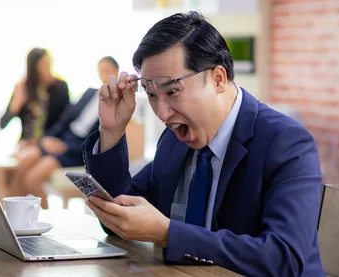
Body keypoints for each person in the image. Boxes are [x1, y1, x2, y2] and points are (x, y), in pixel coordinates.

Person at [82, 12, 324, 276]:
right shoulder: (174, 141)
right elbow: (121, 216)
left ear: (218, 78)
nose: (162, 114)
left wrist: (167, 233)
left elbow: (284, 258)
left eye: (172, 91)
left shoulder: (286, 143)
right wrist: (111, 130)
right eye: (152, 96)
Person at [10, 57, 120, 209]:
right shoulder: (89, 93)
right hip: (64, 140)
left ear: (117, 71)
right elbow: (66, 118)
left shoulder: (119, 104)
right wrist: (48, 138)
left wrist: (66, 147)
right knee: (23, 162)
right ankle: (17, 217)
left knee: (32, 179)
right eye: (101, 70)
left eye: (108, 70)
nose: (104, 74)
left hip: (76, 150)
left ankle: (44, 223)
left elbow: (103, 138)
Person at [0, 48, 70, 150]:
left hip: (49, 142)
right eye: (43, 65)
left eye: (49, 64)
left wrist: (40, 141)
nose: (48, 69)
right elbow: (2, 124)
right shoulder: (23, 88)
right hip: (25, 143)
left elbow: (65, 120)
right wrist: (17, 103)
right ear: (33, 67)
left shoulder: (59, 87)